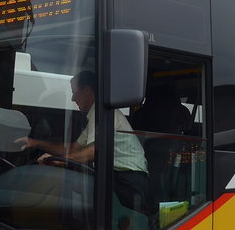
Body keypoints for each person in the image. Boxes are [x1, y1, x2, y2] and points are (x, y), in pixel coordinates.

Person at [18, 70, 151, 217]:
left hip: (128, 179)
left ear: (87, 90)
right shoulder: (97, 114)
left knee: (130, 223)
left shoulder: (102, 113)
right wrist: (35, 142)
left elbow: (93, 152)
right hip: (117, 176)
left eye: (74, 92)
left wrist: (60, 161)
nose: (73, 98)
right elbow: (73, 148)